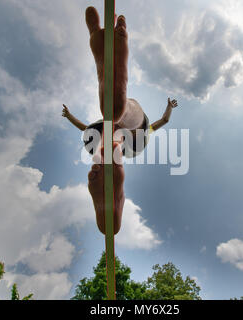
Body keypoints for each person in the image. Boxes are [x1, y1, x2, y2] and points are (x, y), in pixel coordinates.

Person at [63, 6, 179, 235]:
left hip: (117, 138)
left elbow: (84, 128)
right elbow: (163, 121)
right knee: (125, 122)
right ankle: (113, 186)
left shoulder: (110, 130)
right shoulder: (124, 132)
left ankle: (117, 103)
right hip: (125, 142)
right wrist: (168, 109)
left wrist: (69, 117)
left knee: (119, 122)